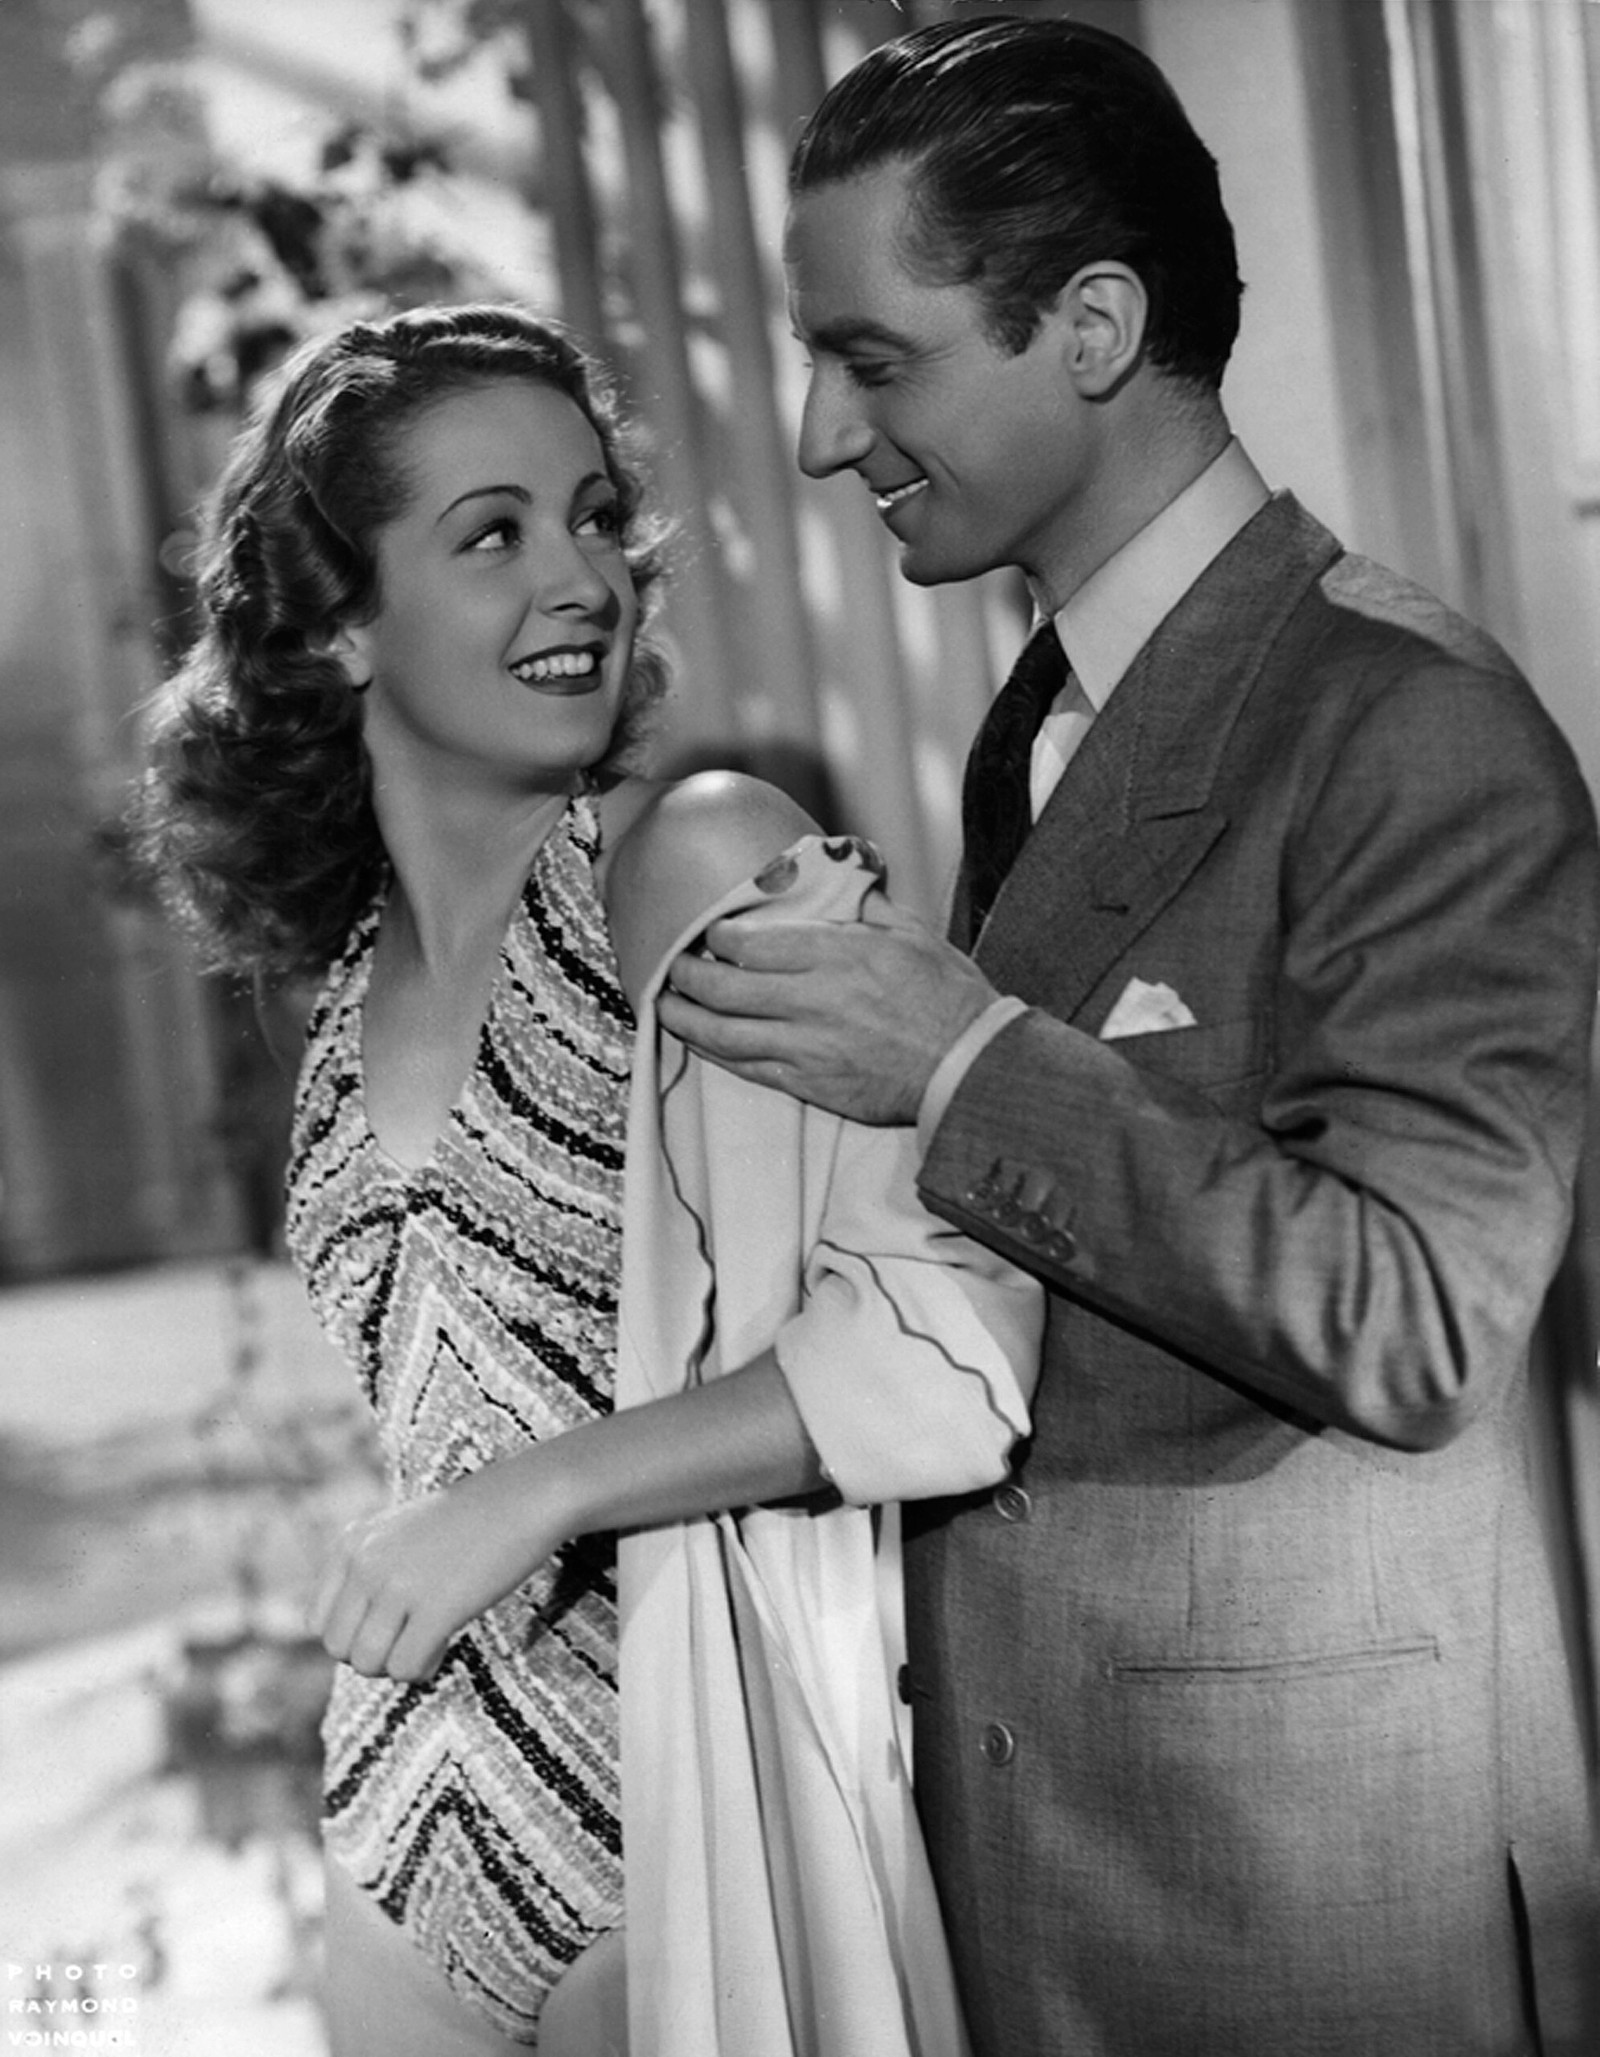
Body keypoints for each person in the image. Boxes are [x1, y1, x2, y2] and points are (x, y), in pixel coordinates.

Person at [657, 17, 1600, 2056]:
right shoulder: (1041, 720)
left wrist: (960, 1065)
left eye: (872, 359)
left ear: (1090, 327)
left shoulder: (1409, 723)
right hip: (1066, 1879)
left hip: (1321, 1907)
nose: (818, 434)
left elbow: (1419, 1317)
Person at [122, 301, 1042, 2056]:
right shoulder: (334, 993)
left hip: (682, 1801)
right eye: (493, 535)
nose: (584, 579)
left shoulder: (696, 864)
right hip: (401, 1836)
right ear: (338, 626)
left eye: (596, 515)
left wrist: (530, 1497)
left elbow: (946, 1348)